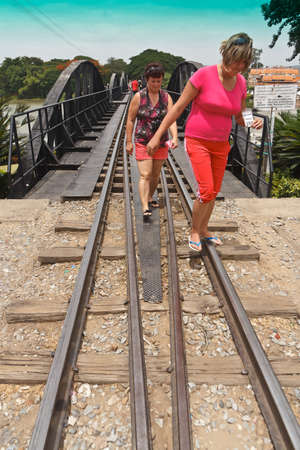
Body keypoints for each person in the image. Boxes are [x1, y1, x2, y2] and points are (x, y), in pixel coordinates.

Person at [147, 33, 262, 250]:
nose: (236, 69)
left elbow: (240, 115)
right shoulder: (203, 75)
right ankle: (194, 230)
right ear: (225, 56)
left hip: (221, 144)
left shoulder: (241, 82)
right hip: (197, 140)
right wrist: (157, 135)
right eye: (233, 63)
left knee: (214, 191)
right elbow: (178, 108)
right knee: (207, 190)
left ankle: (205, 228)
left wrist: (252, 120)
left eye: (242, 65)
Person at [126, 63, 178, 221]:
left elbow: (172, 119)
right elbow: (130, 119)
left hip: (161, 142)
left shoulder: (166, 97)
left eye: (159, 81)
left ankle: (149, 197)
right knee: (145, 174)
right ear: (147, 80)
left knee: (155, 175)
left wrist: (175, 136)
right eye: (152, 81)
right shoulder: (139, 97)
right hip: (142, 140)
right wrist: (129, 141)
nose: (156, 84)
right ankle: (145, 206)